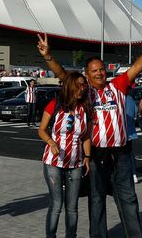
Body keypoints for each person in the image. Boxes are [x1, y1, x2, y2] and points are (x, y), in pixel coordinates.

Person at [37, 22, 142, 238]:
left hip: (122, 153)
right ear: (87, 75)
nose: (99, 73)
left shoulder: (117, 85)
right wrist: (48, 55)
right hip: (97, 155)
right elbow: (62, 74)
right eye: (94, 71)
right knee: (96, 201)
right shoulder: (84, 91)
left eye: (101, 69)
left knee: (128, 199)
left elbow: (137, 66)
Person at [37, 72, 92, 238]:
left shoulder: (86, 108)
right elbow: (41, 130)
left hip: (75, 164)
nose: (82, 88)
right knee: (56, 204)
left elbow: (86, 136)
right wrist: (51, 143)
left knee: (72, 206)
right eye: (79, 85)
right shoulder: (55, 104)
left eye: (84, 85)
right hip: (53, 162)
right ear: (70, 86)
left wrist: (87, 157)